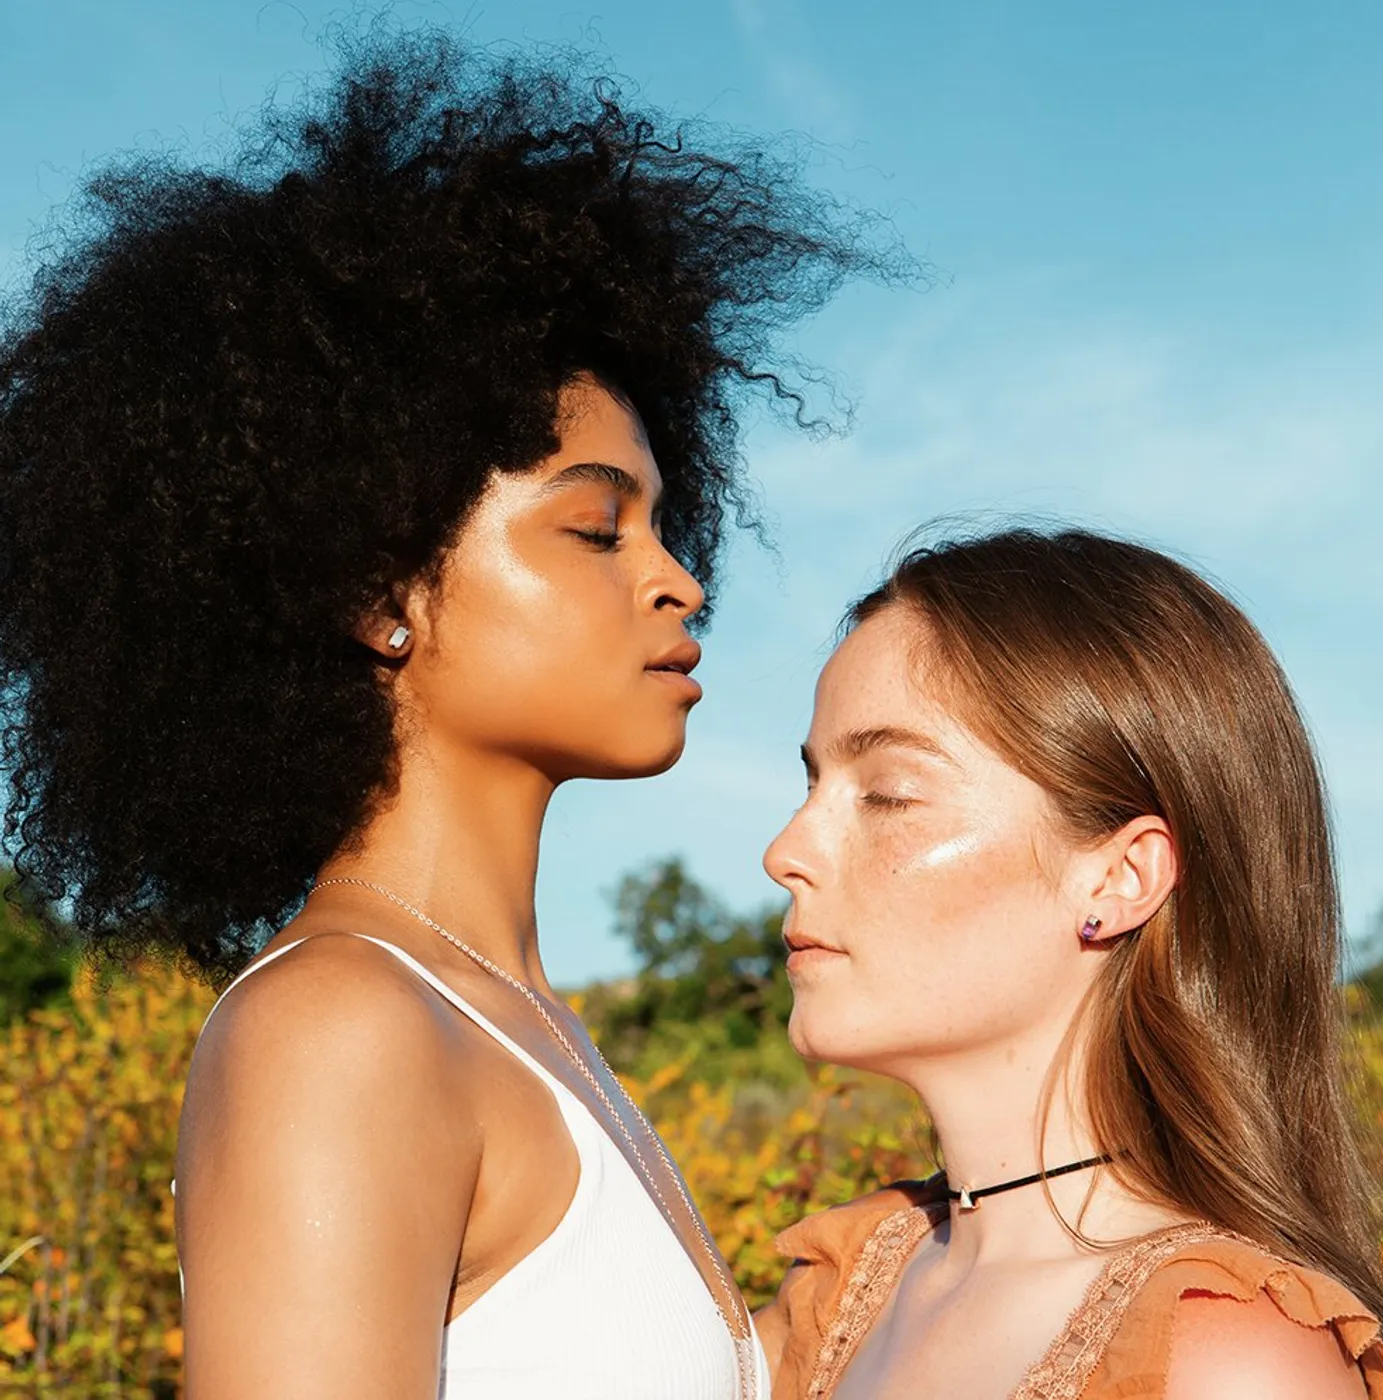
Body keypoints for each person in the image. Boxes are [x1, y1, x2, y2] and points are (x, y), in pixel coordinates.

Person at [0, 31, 882, 1399]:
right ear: (375, 590)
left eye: (663, 522)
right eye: (595, 528)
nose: (678, 580)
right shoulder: (346, 1029)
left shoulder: (516, 1023)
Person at [756, 527, 1383, 1400]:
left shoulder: (1230, 1362)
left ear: (1120, 878)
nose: (787, 851)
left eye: (888, 794)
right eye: (812, 785)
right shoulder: (837, 1291)